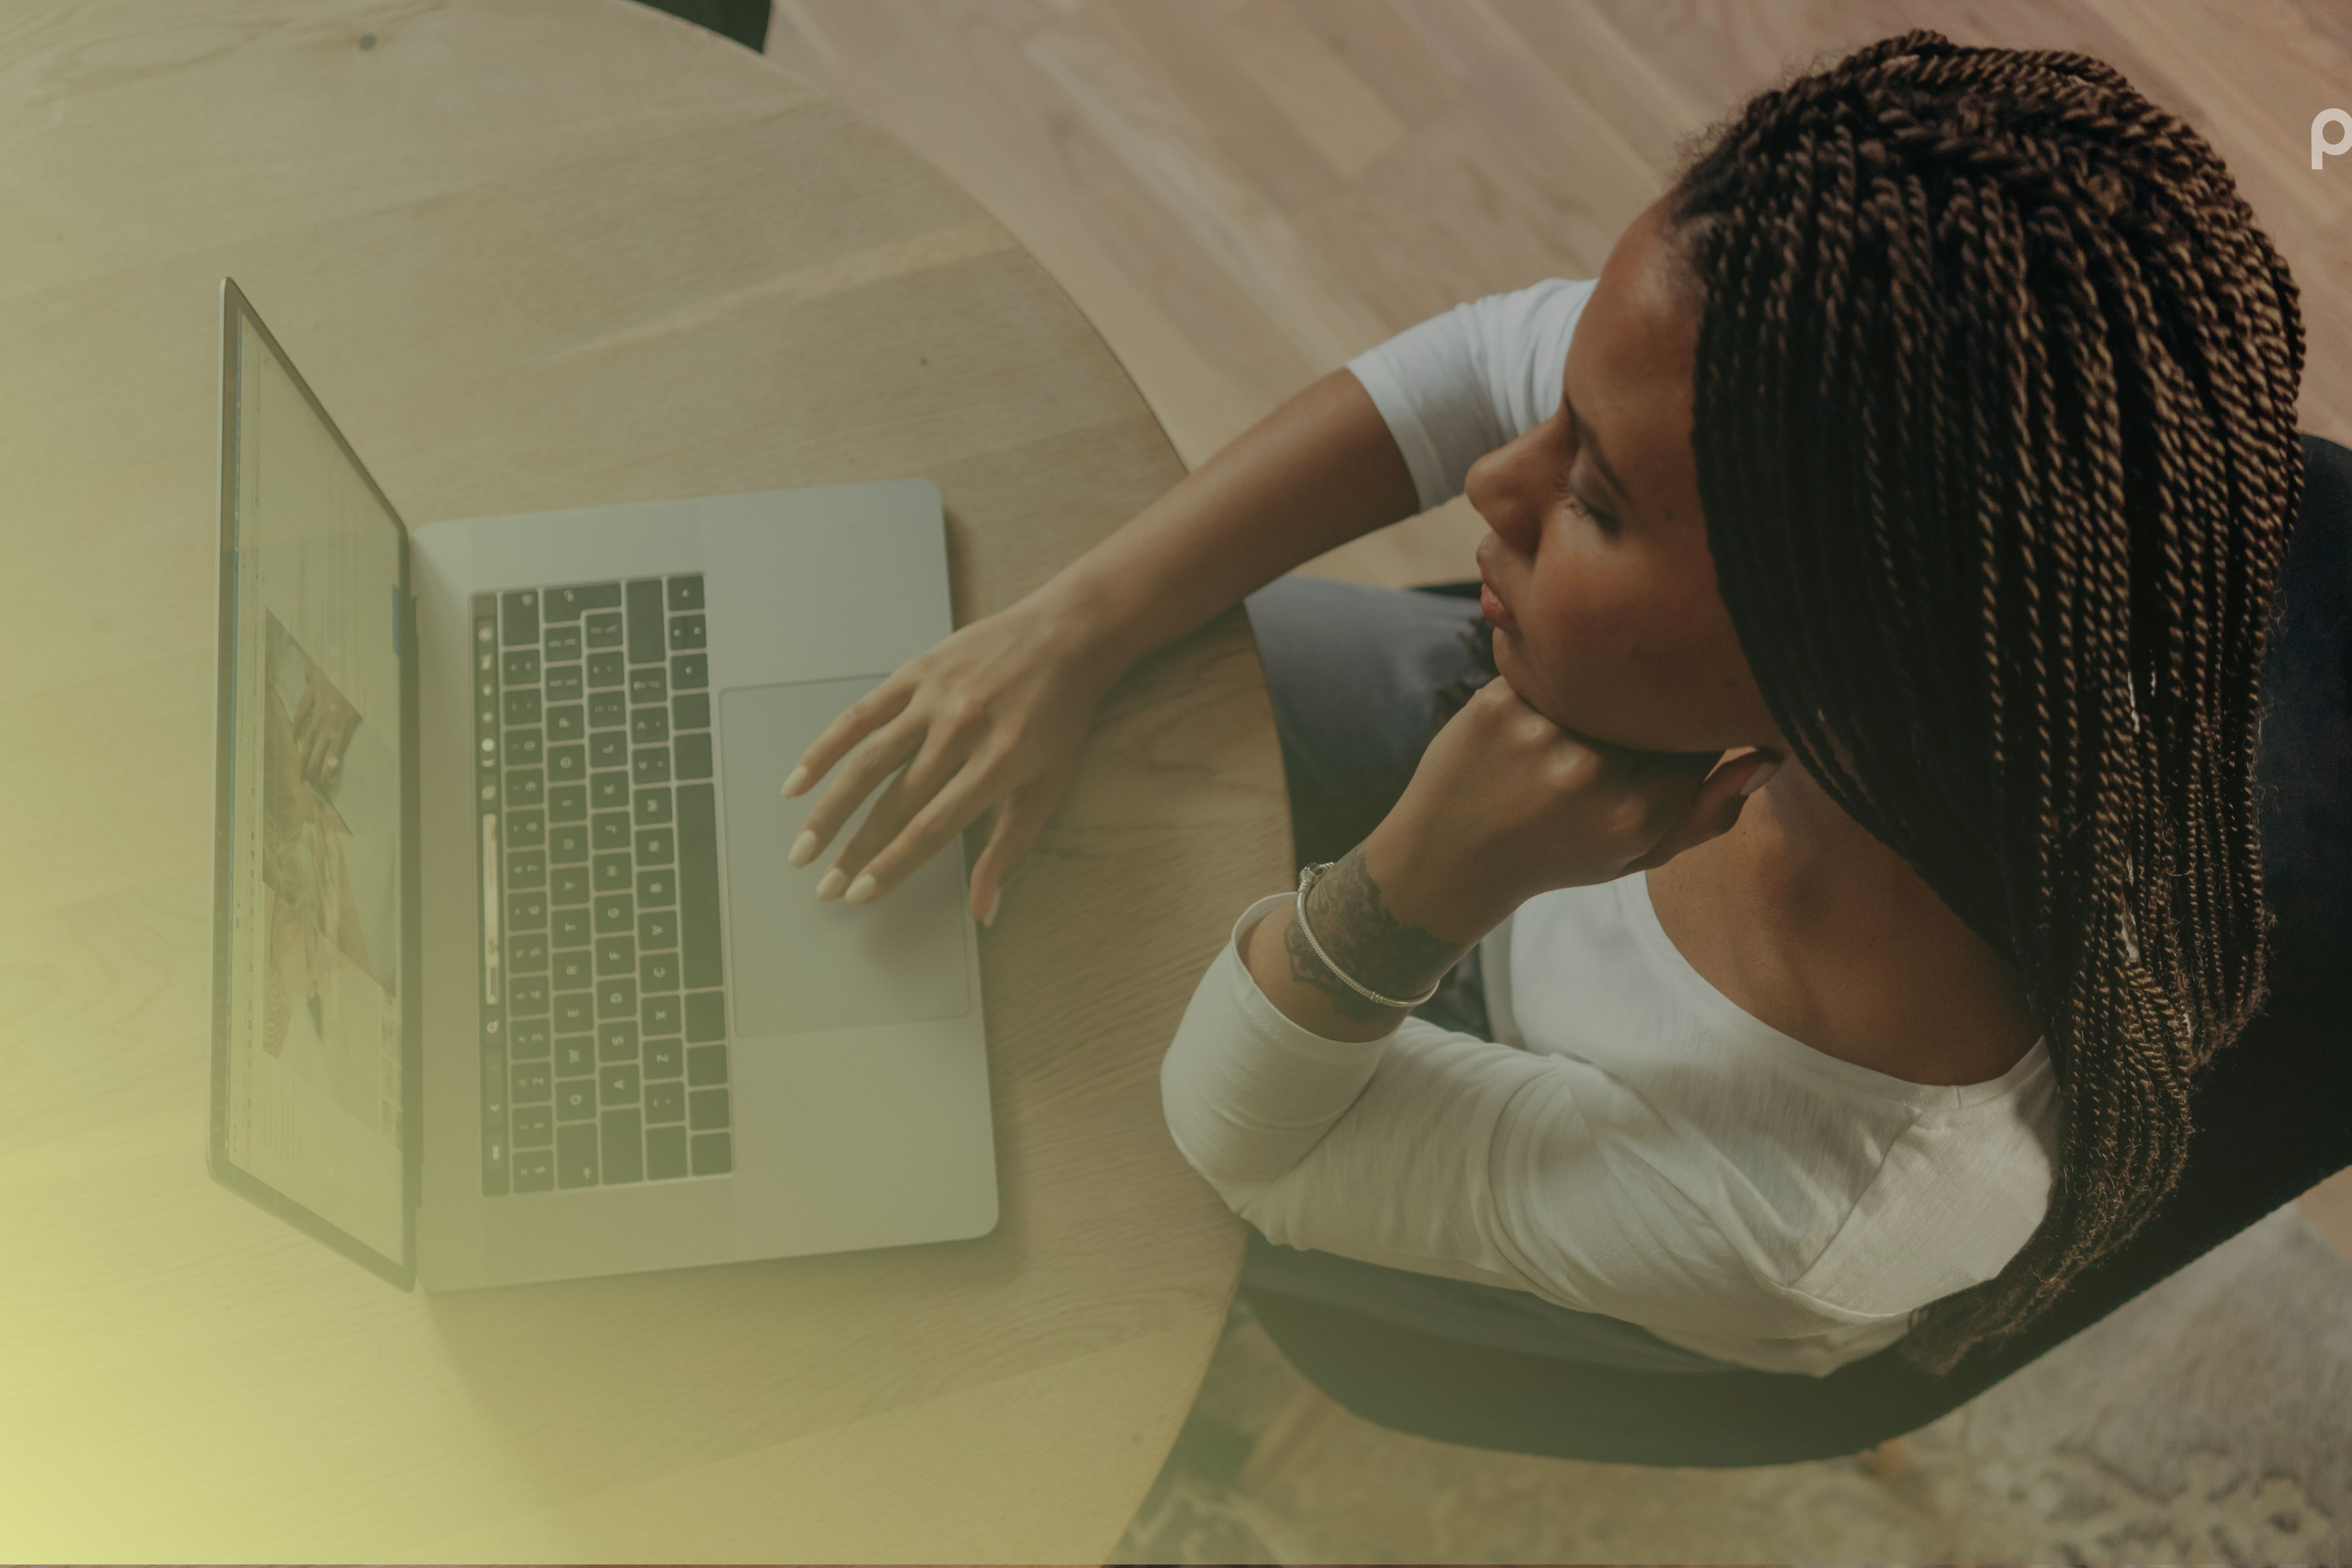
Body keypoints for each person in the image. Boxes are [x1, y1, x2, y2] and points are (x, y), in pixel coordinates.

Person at [771, 32, 2305, 1380]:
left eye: (1592, 492)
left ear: (1844, 662)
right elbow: (1476, 362)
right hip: (1503, 822)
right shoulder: (1823, 465)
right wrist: (1070, 631)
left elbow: (1248, 1142)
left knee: (989, 1170)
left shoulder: (1811, 1208)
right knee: (967, 691)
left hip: (1480, 1023)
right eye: (1565, 415)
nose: (1495, 482)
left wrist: (1404, 898)